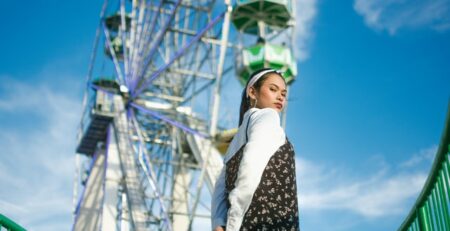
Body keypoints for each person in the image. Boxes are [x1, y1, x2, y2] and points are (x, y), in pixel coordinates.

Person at [211, 68, 300, 231]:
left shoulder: (235, 140)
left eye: (284, 93)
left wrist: (218, 223)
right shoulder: (267, 116)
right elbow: (250, 170)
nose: (280, 96)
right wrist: (232, 225)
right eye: (273, 89)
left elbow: (220, 191)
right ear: (252, 92)